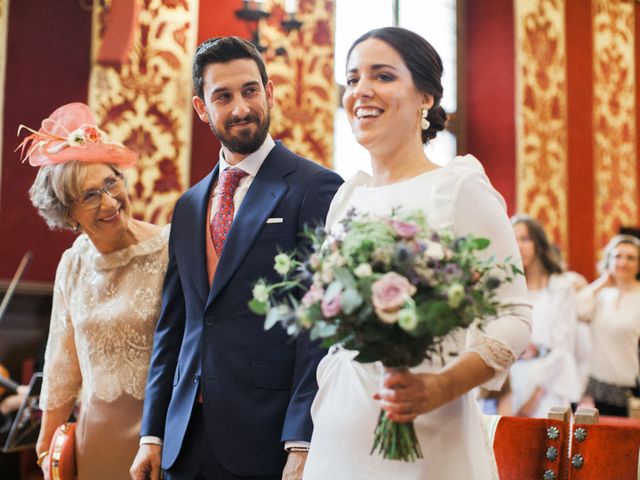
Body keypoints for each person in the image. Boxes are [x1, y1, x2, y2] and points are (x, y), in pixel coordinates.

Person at [302, 27, 531, 479]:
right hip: (340, 429)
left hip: (428, 432)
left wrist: (442, 385)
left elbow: (515, 316)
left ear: (425, 96)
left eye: (382, 76)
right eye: (352, 79)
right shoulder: (347, 198)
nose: (361, 91)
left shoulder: (457, 188)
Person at [130, 37, 342, 480]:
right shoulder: (188, 205)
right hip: (183, 439)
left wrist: (302, 438)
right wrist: (152, 432)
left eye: (250, 90)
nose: (241, 107)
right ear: (201, 108)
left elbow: (319, 323)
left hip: (267, 436)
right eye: (223, 96)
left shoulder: (315, 188)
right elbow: (175, 323)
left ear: (269, 92)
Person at [20, 102, 170, 479]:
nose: (109, 202)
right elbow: (60, 367)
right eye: (90, 196)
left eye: (111, 182)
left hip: (161, 438)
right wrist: (47, 447)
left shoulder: (171, 249)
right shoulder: (72, 265)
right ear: (68, 214)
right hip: (94, 442)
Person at [509, 215, 582, 417]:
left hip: (548, 386)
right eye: (513, 239)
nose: (518, 246)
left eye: (525, 239)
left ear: (539, 244)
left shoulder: (560, 287)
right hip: (508, 383)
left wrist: (536, 395)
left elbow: (564, 347)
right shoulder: (507, 288)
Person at [578, 234, 640, 416]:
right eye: (617, 256)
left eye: (630, 258)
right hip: (593, 389)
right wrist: (602, 282)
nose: (623, 263)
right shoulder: (600, 295)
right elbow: (573, 312)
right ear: (608, 260)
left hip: (627, 391)